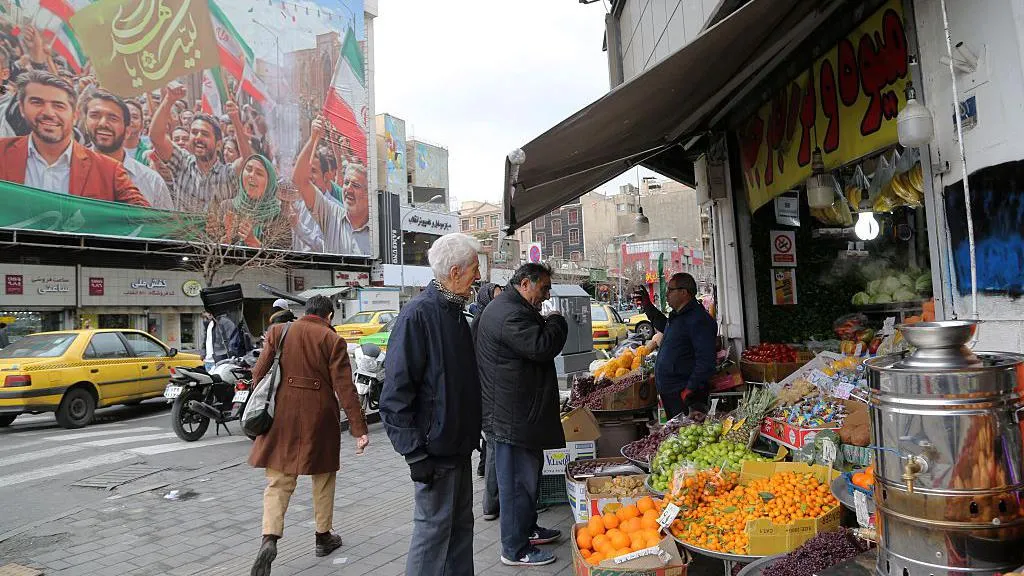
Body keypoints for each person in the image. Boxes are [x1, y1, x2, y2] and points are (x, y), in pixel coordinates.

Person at [380, 233, 482, 576]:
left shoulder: (455, 315)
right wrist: (414, 453)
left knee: (460, 529)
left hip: (457, 446)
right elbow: (395, 394)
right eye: (474, 270)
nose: (478, 278)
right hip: (433, 452)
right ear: (454, 272)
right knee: (433, 531)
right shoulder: (418, 316)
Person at [248, 295, 368, 576]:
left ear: (305, 312)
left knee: (278, 481)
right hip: (319, 418)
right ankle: (323, 536)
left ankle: (269, 538)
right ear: (329, 317)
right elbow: (345, 388)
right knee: (323, 477)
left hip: (282, 417)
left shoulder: (279, 331)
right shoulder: (331, 340)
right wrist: (359, 430)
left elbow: (259, 372)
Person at [475, 262, 567, 567]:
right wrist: (557, 321)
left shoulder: (514, 307)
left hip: (520, 414)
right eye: (544, 288)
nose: (546, 294)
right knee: (516, 484)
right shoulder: (508, 312)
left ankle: (528, 530)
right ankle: (514, 549)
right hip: (511, 418)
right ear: (526, 283)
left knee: (528, 479)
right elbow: (541, 346)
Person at [0, 70, 148, 206]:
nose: (48, 112)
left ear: (75, 115)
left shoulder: (109, 171)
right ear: (21, 108)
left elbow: (147, 221)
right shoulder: (2, 153)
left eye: (58, 105)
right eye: (37, 102)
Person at [150, 82, 250, 210]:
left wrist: (235, 120)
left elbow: (248, 161)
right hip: (183, 230)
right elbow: (156, 137)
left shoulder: (228, 173)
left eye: (205, 134)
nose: (198, 137)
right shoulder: (182, 163)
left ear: (219, 144)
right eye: (194, 132)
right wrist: (169, 100)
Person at [633, 273, 717, 419]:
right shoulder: (679, 316)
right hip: (672, 392)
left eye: (670, 290)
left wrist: (689, 389)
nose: (666, 294)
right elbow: (664, 326)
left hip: (684, 395)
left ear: (684, 292)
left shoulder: (698, 320)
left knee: (687, 435)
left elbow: (706, 361)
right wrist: (647, 306)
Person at [83, 90, 174, 210]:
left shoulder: (152, 182)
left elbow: (167, 226)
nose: (103, 123)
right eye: (95, 116)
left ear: (127, 131)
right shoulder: (66, 172)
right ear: (85, 124)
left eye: (113, 118)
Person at [293, 116, 369, 255]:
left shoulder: (377, 233)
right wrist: (313, 139)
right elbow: (300, 179)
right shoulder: (331, 214)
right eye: (346, 183)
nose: (348, 189)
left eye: (356, 185)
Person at [219, 154, 291, 249]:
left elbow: (284, 260)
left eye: (259, 173)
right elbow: (211, 251)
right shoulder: (227, 207)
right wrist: (223, 242)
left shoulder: (278, 219)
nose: (251, 175)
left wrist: (253, 242)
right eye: (248, 169)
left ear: (269, 183)